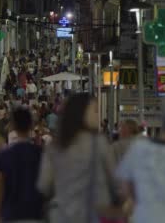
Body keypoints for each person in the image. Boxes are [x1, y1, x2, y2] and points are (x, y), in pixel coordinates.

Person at [37, 93, 122, 222]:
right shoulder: (99, 143)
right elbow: (115, 182)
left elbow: (44, 185)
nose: (98, 115)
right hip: (96, 214)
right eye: (95, 111)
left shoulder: (55, 146)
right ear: (83, 113)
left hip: (62, 215)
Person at [0, 109, 44, 223]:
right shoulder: (41, 154)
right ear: (31, 125)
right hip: (35, 214)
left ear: (14, 125)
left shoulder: (2, 155)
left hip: (10, 214)